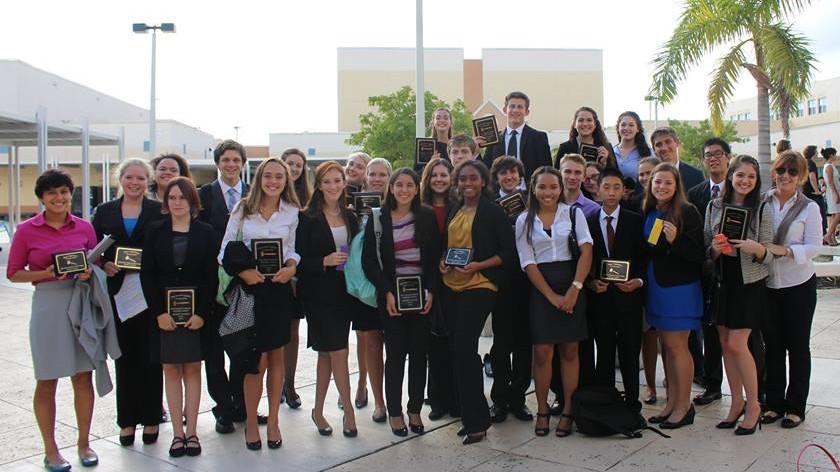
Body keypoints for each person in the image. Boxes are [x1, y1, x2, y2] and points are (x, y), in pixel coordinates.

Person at [7, 168, 108, 471]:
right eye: (52, 192)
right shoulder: (27, 230)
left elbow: (96, 261)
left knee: (82, 376)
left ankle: (84, 444)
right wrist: (47, 273)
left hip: (80, 300)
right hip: (49, 304)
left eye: (64, 191)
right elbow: (13, 273)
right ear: (41, 197)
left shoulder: (84, 227)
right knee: (47, 379)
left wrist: (91, 270)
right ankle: (50, 450)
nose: (59, 197)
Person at [219, 157, 300, 450]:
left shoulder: (292, 211)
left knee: (276, 356)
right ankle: (251, 422)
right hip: (250, 290)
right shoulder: (243, 208)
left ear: (286, 180)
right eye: (268, 176)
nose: (273, 181)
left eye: (279, 177)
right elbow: (224, 250)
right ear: (259, 178)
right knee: (255, 361)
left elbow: (292, 248)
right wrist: (244, 272)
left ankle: (275, 421)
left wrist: (291, 267)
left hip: (278, 290)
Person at [141, 177, 219, 457]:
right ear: (166, 202)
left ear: (192, 202)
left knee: (193, 370)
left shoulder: (206, 232)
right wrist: (158, 313)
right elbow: (146, 274)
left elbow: (212, 277)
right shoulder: (155, 231)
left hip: (195, 315)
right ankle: (177, 435)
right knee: (171, 370)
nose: (177, 203)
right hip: (165, 316)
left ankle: (193, 432)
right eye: (172, 198)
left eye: (182, 198)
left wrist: (202, 313)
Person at [440, 160, 516, 445]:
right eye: (462, 179)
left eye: (473, 178)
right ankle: (473, 416)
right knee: (460, 353)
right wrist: (442, 262)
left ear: (483, 181)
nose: (467, 183)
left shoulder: (493, 211)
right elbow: (447, 247)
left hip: (481, 284)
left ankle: (476, 422)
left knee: (463, 348)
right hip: (452, 285)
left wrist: (477, 266)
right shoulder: (454, 209)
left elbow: (507, 254)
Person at [362, 168, 441, 436]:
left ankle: (415, 409)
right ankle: (395, 412)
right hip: (392, 297)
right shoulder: (377, 218)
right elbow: (369, 262)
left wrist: (431, 290)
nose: (404, 189)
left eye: (410, 185)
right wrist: (386, 292)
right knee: (395, 356)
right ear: (391, 188)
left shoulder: (427, 216)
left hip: (420, 297)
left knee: (420, 355)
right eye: (399, 185)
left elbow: (433, 259)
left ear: (417, 189)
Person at [91, 158, 165, 446]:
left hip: (149, 293)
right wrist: (105, 264)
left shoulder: (158, 210)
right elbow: (93, 247)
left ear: (148, 181)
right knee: (125, 358)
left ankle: (150, 418)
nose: (134, 183)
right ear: (120, 179)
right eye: (129, 177)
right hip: (118, 292)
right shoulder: (104, 211)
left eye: (140, 178)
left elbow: (164, 246)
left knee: (151, 358)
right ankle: (127, 421)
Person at [515, 166, 592, 437]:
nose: (548, 192)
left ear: (560, 189)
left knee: (570, 351)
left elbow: (586, 251)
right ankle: (543, 408)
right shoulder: (524, 219)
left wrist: (574, 290)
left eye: (553, 187)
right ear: (533, 189)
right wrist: (551, 296)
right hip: (541, 287)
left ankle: (569, 409)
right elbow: (528, 261)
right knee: (542, 352)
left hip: (572, 281)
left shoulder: (574, 213)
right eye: (542, 187)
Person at [704, 155, 773, 436]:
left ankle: (754, 406)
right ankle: (736, 403)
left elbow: (769, 253)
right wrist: (716, 249)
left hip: (749, 282)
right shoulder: (715, 205)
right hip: (723, 280)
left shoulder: (762, 208)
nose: (745, 181)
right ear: (731, 176)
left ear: (756, 182)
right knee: (724, 342)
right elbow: (708, 245)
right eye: (740, 175)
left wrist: (754, 247)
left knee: (737, 343)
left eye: (751, 177)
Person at [296, 161, 359, 438]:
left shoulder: (350, 216)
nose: (333, 186)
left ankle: (318, 411)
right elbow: (297, 260)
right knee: (339, 353)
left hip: (344, 293)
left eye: (338, 180)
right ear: (319, 185)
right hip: (319, 295)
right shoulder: (307, 217)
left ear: (344, 183)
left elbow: (352, 253)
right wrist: (324, 260)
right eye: (327, 181)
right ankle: (349, 412)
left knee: (327, 354)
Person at [760, 150, 822, 429]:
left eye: (792, 172)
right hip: (769, 283)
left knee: (798, 347)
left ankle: (796, 406)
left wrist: (785, 251)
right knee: (772, 346)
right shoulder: (764, 201)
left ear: (801, 177)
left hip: (799, 285)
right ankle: (772, 403)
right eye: (781, 170)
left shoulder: (809, 208)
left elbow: (814, 247)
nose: (785, 176)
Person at [642, 163, 705, 430]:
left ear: (676, 185)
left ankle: (684, 406)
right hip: (656, 286)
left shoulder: (688, 212)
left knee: (678, 347)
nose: (661, 187)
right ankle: (670, 403)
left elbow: (697, 255)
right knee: (667, 347)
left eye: (667, 183)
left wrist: (676, 239)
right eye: (657, 182)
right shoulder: (651, 210)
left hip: (679, 289)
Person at [197, 139, 250, 433]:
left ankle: (241, 402)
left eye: (235, 159)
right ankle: (223, 407)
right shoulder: (203, 196)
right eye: (225, 160)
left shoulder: (253, 195)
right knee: (214, 350)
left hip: (244, 285)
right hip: (212, 283)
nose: (231, 165)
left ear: (242, 162)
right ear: (217, 162)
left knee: (243, 347)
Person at [586, 167, 646, 413]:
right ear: (598, 190)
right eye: (606, 187)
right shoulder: (588, 221)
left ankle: (632, 400)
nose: (611, 192)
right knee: (605, 351)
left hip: (628, 296)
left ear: (624, 192)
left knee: (630, 351)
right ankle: (606, 400)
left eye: (616, 188)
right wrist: (590, 281)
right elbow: (584, 258)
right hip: (600, 298)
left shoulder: (635, 220)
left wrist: (638, 281)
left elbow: (643, 257)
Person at [486, 156, 533, 423]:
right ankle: (499, 400)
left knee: (524, 344)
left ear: (519, 175)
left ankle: (519, 399)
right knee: (502, 343)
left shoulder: (531, 202)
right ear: (497, 177)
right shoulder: (490, 205)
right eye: (503, 173)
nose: (508, 177)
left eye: (513, 173)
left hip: (528, 280)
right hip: (502, 281)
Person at [686, 138, 731, 407]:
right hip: (706, 272)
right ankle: (713, 384)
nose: (713, 159)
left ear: (727, 157)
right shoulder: (696, 193)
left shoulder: (742, 190)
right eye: (708, 155)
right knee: (710, 330)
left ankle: (757, 389)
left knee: (745, 336)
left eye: (718, 154)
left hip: (738, 272)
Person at [351, 157, 393, 421]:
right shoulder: (353, 209)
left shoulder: (398, 204)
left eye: (382, 175)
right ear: (365, 178)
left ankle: (395, 400)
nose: (377, 179)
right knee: (371, 344)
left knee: (395, 347)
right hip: (364, 286)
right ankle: (379, 402)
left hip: (392, 285)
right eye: (372, 174)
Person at [419, 159, 460, 420]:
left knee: (455, 342)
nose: (439, 179)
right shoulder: (419, 208)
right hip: (426, 279)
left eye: (444, 175)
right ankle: (436, 399)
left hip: (455, 279)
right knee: (432, 343)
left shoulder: (460, 207)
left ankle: (456, 400)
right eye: (434, 175)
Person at [280, 148, 312, 409]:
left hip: (301, 274)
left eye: (298, 165)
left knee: (291, 330)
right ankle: (276, 384)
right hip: (273, 273)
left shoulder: (308, 200)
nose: (293, 168)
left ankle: (289, 385)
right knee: (273, 333)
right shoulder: (266, 198)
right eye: (288, 163)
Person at [634, 156, 663, 403]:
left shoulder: (668, 207)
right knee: (647, 335)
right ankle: (651, 386)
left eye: (649, 173)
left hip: (663, 278)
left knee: (666, 335)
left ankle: (672, 385)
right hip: (640, 277)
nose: (645, 178)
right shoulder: (634, 203)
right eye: (641, 174)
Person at [480, 91, 552, 180]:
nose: (515, 110)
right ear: (505, 110)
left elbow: (546, 169)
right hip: (500, 191)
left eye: (520, 107)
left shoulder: (538, 137)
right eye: (512, 106)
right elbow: (485, 169)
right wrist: (475, 151)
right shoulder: (495, 138)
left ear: (527, 112)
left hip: (528, 191)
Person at [613, 111, 652, 182]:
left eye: (631, 125)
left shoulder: (648, 152)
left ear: (638, 129)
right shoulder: (611, 151)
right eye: (623, 125)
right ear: (618, 128)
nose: (626, 128)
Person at [802, 145, 827, 234]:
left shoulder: (804, 162)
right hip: (813, 194)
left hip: (806, 193)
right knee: (820, 215)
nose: (817, 153)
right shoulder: (811, 163)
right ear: (812, 152)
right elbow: (812, 177)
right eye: (816, 152)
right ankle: (823, 234)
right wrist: (817, 191)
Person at [821, 147, 839, 245]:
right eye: (835, 154)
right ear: (831, 155)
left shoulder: (830, 166)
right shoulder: (829, 166)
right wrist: (836, 194)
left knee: (833, 215)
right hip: (833, 192)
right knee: (838, 214)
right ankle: (828, 235)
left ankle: (832, 238)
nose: (836, 156)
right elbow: (830, 182)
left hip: (833, 192)